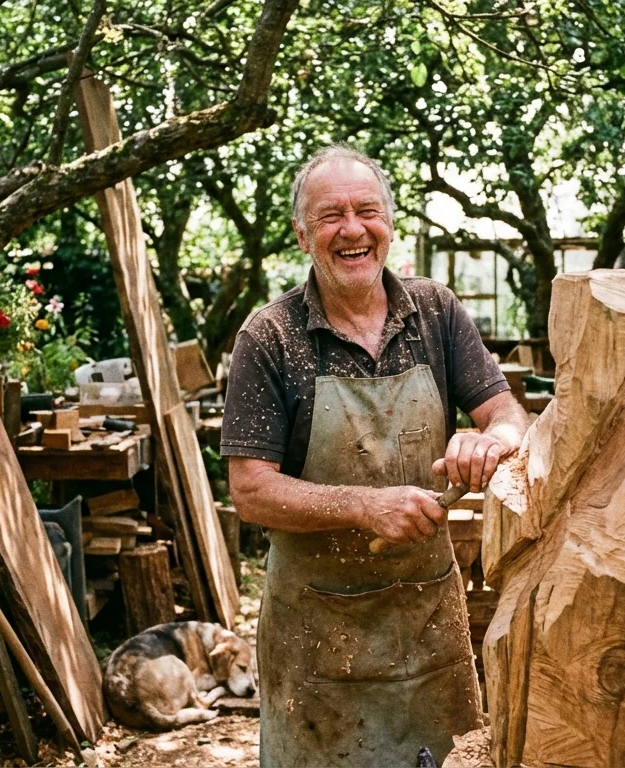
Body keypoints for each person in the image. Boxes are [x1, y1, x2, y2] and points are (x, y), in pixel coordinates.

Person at [221, 144, 529, 766]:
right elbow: (250, 489)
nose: (353, 230)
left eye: (367, 211)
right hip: (316, 646)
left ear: (388, 222)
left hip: (429, 633)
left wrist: (490, 440)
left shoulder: (435, 313)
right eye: (331, 216)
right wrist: (365, 505)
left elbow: (508, 413)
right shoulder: (270, 336)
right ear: (302, 234)